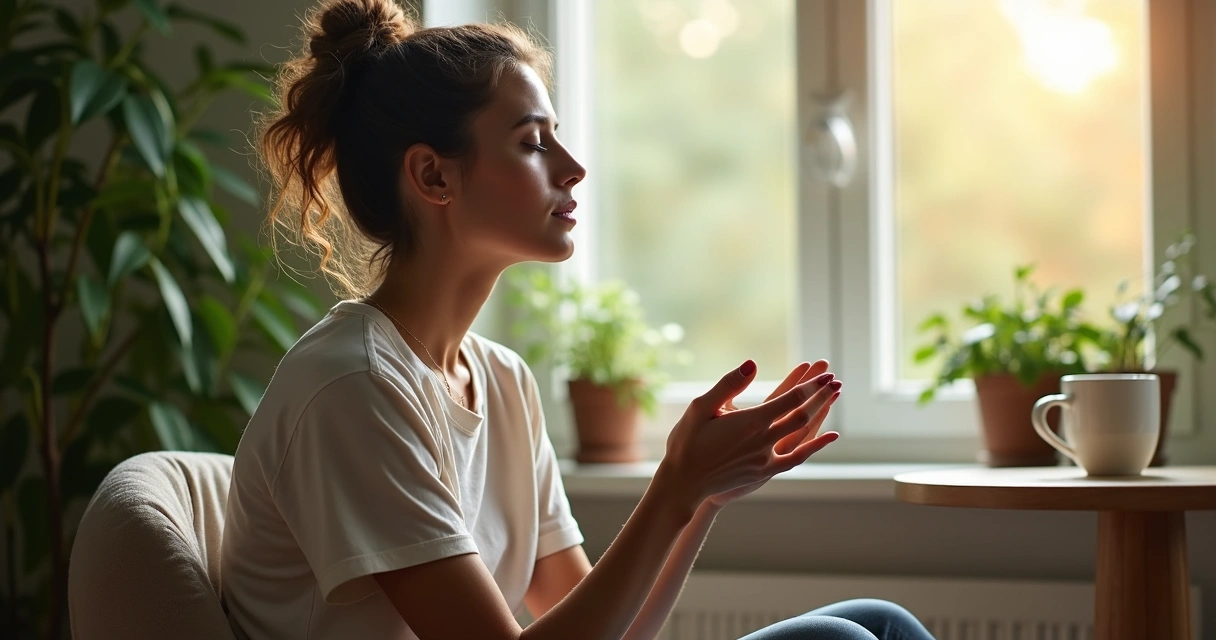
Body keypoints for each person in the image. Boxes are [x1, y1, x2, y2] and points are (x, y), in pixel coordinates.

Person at [220, 1, 937, 639]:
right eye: (533, 142)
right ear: (434, 176)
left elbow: (611, 629)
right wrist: (671, 489)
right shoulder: (354, 388)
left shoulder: (501, 380)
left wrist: (699, 497)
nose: (572, 168)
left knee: (878, 623)